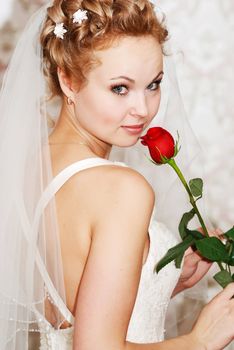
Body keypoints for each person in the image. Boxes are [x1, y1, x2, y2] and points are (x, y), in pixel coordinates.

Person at [0, 1, 234, 349]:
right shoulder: (123, 189)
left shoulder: (27, 168)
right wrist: (200, 340)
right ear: (68, 80)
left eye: (153, 84)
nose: (143, 109)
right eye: (120, 88)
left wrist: (162, 280)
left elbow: (70, 309)